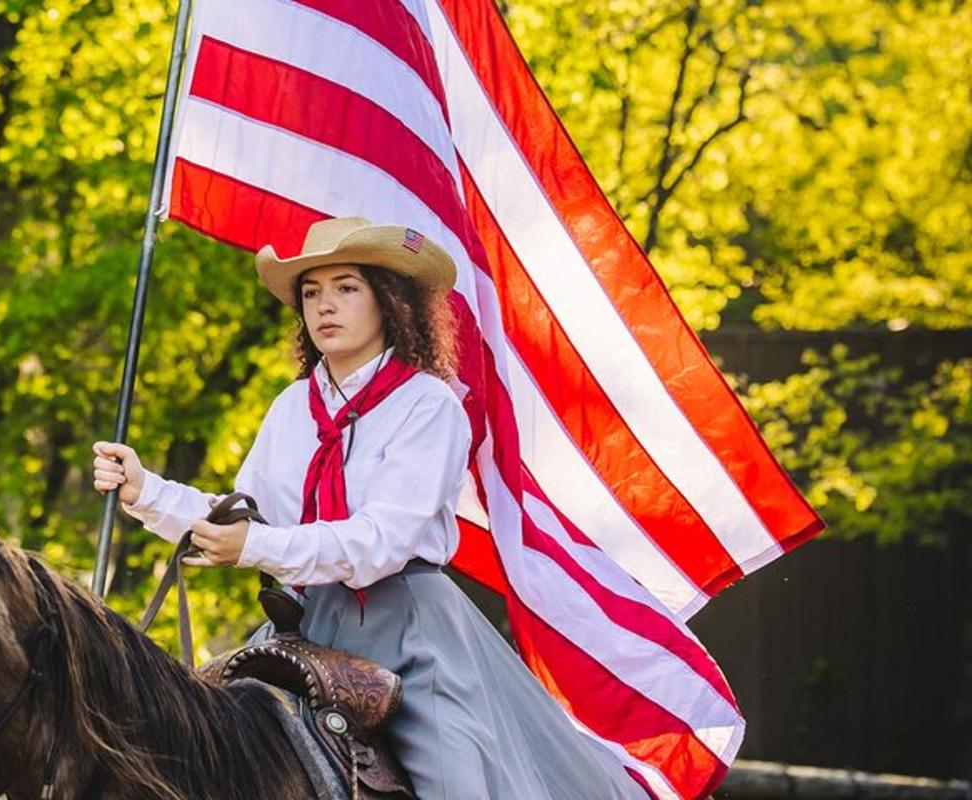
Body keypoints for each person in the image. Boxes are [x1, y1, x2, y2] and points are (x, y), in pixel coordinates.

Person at [93, 216, 645, 799]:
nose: (324, 306)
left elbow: (381, 540)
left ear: (389, 300)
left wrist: (253, 546)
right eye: (311, 292)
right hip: (302, 625)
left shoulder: (429, 406)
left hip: (409, 629)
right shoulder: (290, 408)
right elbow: (248, 516)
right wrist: (146, 492)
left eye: (346, 287)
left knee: (457, 784)